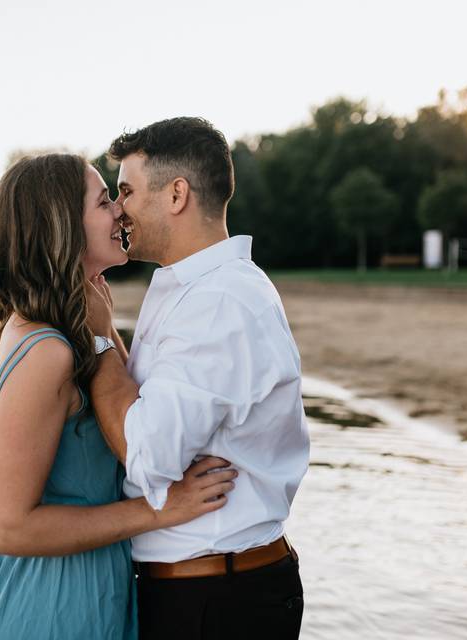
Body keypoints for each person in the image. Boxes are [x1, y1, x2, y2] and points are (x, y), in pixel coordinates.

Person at [0, 153, 238, 640]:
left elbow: (130, 411)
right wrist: (161, 510)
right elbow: (10, 528)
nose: (119, 209)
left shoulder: (77, 324)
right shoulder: (45, 350)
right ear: (64, 228)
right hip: (51, 609)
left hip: (94, 591)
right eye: (102, 202)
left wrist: (102, 326)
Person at [85, 117, 310, 640]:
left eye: (126, 191)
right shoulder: (193, 287)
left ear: (177, 194)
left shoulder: (217, 302)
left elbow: (147, 450)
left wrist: (98, 341)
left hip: (215, 600)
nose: (118, 209)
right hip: (210, 587)